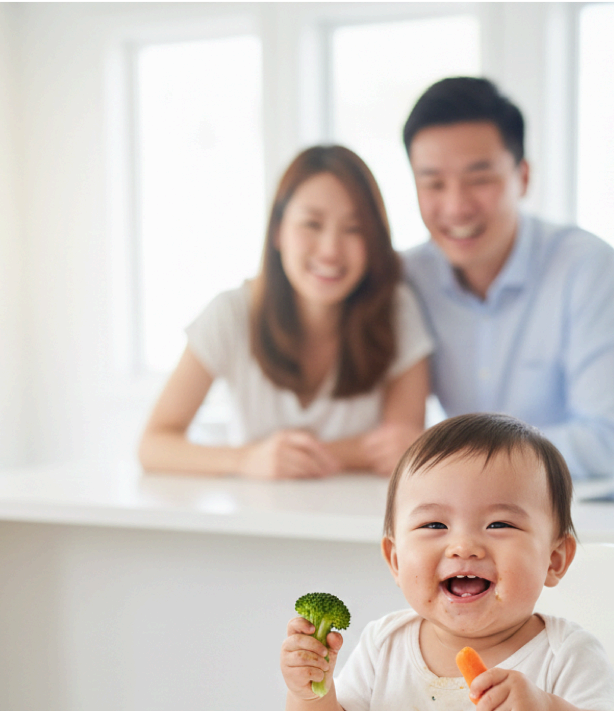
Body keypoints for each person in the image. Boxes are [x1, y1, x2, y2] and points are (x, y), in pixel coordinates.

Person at [280, 413, 614, 711]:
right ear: (395, 560)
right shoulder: (384, 646)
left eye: (499, 524)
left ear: (554, 559)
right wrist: (310, 696)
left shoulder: (565, 653)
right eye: (434, 525)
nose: (464, 546)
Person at [139, 146, 432, 479]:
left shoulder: (396, 309)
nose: (330, 250)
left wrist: (289, 456)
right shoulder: (232, 313)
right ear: (278, 230)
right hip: (258, 508)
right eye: (312, 224)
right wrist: (247, 459)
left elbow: (398, 449)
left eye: (354, 229)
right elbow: (153, 445)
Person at [401, 77, 614, 480]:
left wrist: (457, 455)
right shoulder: (407, 277)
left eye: (480, 179)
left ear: (523, 177)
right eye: (433, 184)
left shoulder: (586, 267)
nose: (456, 207)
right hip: (471, 510)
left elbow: (606, 444)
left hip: (582, 504)